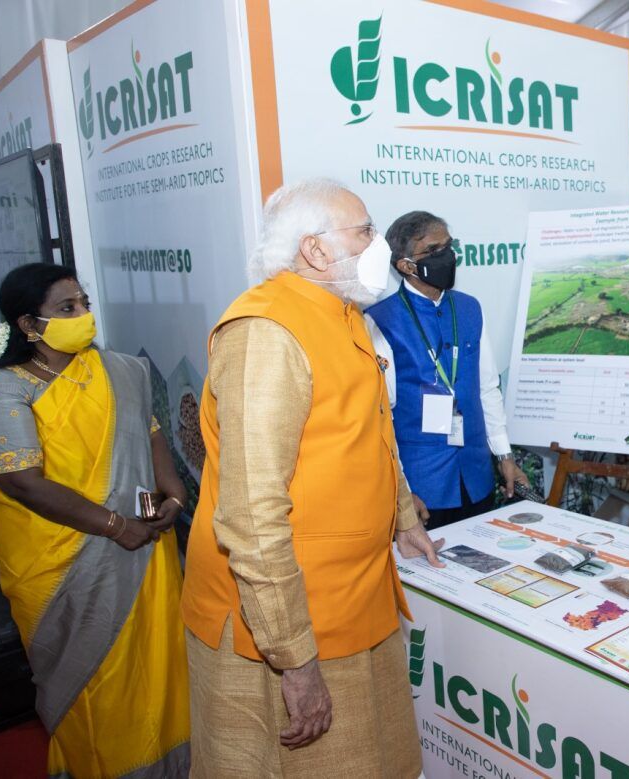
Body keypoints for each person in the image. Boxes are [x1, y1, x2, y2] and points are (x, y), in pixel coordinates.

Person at [180, 179, 444, 778]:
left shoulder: (343, 314)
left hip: (352, 599)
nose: (378, 245)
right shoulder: (268, 334)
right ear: (316, 251)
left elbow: (366, 434)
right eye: (365, 231)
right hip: (283, 623)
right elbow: (251, 515)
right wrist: (293, 658)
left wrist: (401, 516)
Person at [0, 263, 190, 777]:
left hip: (144, 548)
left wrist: (172, 488)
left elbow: (148, 430)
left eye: (84, 303)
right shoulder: (5, 388)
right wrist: (116, 527)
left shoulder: (117, 370)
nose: (83, 316)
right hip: (62, 563)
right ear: (29, 325)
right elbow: (20, 480)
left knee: (161, 667)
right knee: (95, 683)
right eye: (66, 309)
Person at [367, 211, 530, 529]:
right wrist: (401, 493)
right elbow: (380, 417)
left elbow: (486, 387)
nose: (447, 256)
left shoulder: (469, 308)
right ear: (406, 266)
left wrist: (504, 456)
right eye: (433, 251)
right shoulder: (380, 321)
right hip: (423, 486)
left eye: (448, 246)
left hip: (476, 475)